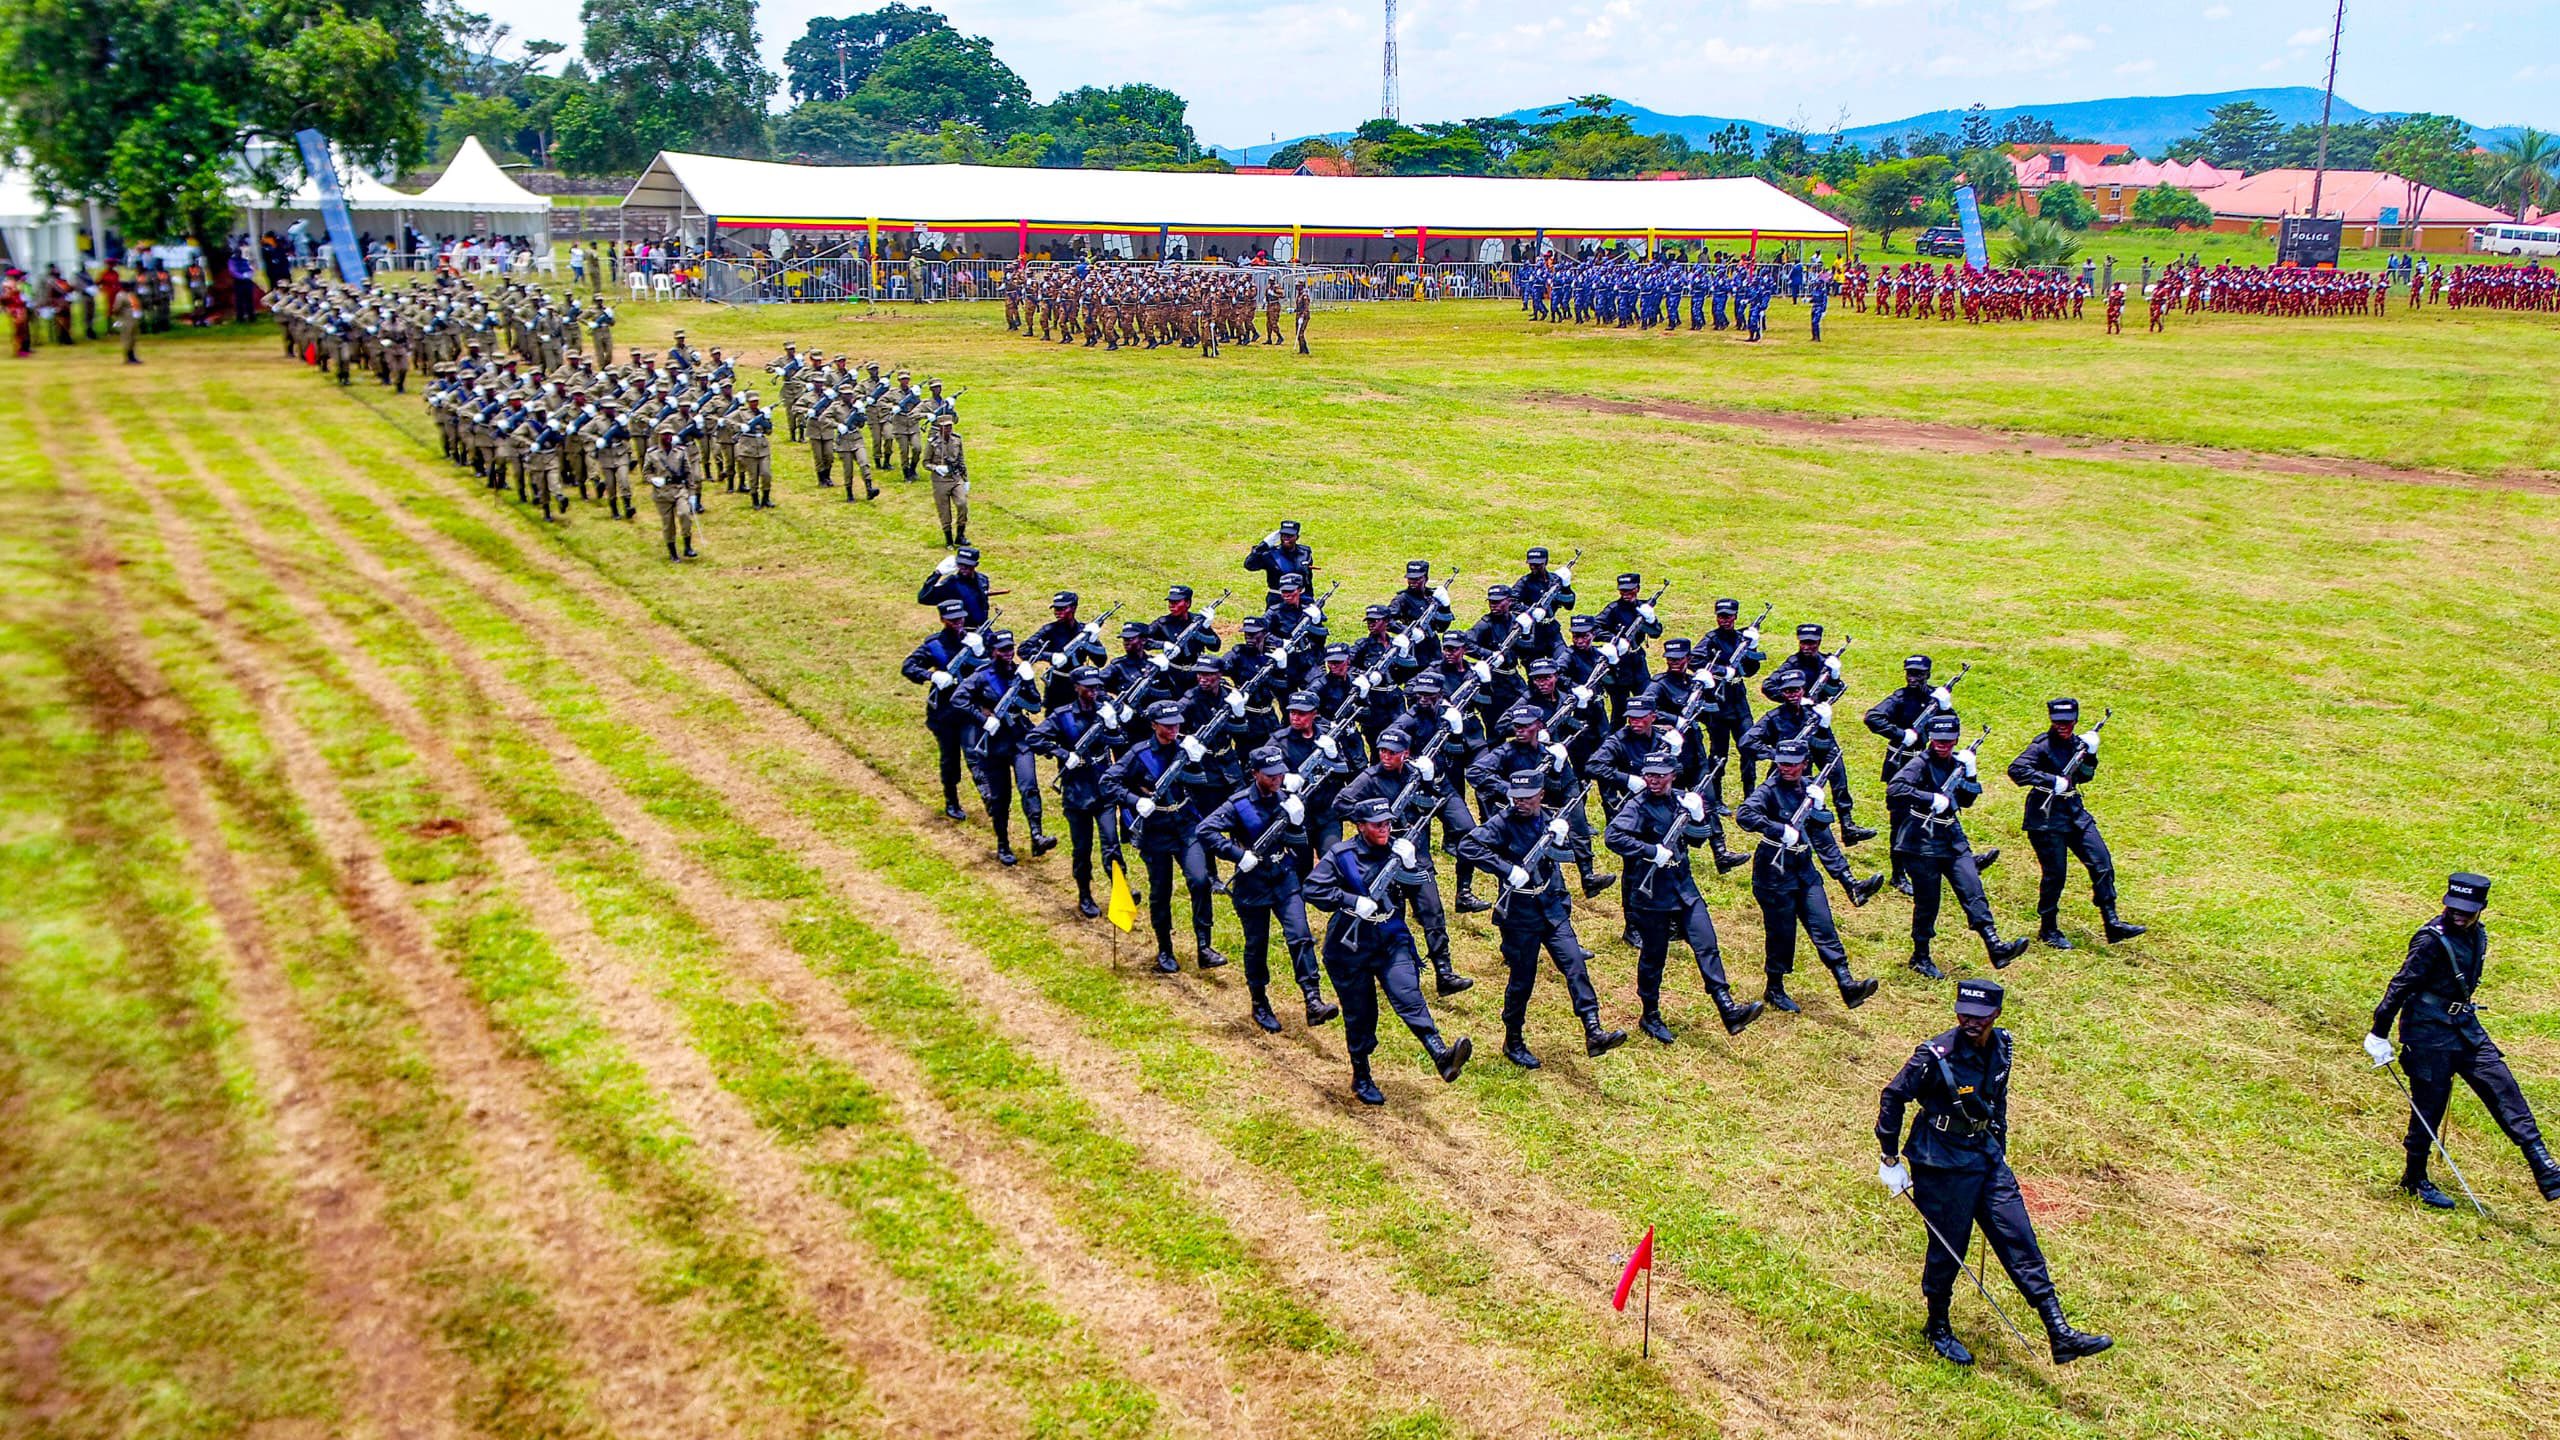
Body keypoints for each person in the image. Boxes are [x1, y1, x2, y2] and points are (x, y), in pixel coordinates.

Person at [1877, 979, 2115, 1367]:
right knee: (1950, 1249)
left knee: (2019, 1237)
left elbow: (1996, 1098)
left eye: (1980, 1017)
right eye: (1964, 1015)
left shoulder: (2003, 1046)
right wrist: (1890, 1158)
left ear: (1996, 1015)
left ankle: (2059, 1332)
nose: (1971, 1023)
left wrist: (1998, 1144)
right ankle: (1937, 1325)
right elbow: (1893, 1096)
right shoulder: (1936, 1055)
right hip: (1940, 1162)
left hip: (1984, 1157)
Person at [2366, 873, 2560, 1206]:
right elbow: (2401, 984)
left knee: (2503, 1087)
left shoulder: (2478, 935)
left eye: (2467, 910)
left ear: (2481, 909)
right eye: (2453, 907)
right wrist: (2379, 1032)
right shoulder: (2431, 940)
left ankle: (2544, 1167)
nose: (2459, 914)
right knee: (2429, 1108)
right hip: (2428, 1033)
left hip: (2464, 1027)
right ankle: (2415, 1179)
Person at [1302, 797, 1474, 1105]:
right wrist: (1352, 901)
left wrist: (1412, 864)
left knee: (1409, 994)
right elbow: (1313, 889)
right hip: (1349, 948)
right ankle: (1362, 1075)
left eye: (1387, 823)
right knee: (1361, 1015)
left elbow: (1424, 894)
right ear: (1360, 826)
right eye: (1377, 825)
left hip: (1390, 938)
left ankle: (1440, 1054)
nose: (1385, 829)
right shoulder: (1342, 856)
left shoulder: (1398, 850)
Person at [1454, 771, 1629, 1069]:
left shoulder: (1550, 819)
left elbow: (1575, 854)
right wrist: (1506, 869)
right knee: (1522, 981)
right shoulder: (1503, 822)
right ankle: (1513, 1039)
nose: (1520, 803)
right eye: (1516, 797)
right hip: (1520, 914)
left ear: (1541, 796)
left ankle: (1593, 1029)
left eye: (1527, 798)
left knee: (1575, 964)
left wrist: (1560, 839)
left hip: (1551, 905)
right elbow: (1468, 847)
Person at [1603, 754, 1766, 1041]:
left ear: (1672, 776)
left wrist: (1699, 816)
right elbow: (1613, 836)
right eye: (1649, 774)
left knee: (1706, 944)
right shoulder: (1637, 805)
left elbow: (1697, 840)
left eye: (1659, 775)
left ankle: (1727, 1007)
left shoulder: (1681, 800)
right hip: (1652, 894)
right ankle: (1650, 1015)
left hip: (1684, 887)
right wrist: (1650, 851)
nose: (1653, 780)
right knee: (1654, 957)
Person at [1733, 738, 1884, 1013]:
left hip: (1803, 868)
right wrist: (1778, 829)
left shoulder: (1810, 789)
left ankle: (1846, 983)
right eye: (1782, 764)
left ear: (1804, 764)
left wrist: (1819, 808)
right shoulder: (1770, 790)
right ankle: (1775, 988)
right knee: (1782, 933)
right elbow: (1744, 815)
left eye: (1793, 765)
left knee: (1823, 925)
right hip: (1773, 873)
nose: (1787, 769)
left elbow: (1822, 835)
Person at [1194, 748, 1341, 1032]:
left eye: (1280, 774)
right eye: (1270, 775)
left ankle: (1313, 999)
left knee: (1301, 936)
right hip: (1252, 885)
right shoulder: (1238, 805)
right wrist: (1237, 854)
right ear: (1255, 774)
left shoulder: (1288, 800)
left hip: (1283, 878)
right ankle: (1259, 1001)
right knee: (1256, 945)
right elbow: (1205, 830)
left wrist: (1298, 824)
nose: (1277, 780)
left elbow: (1299, 844)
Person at [1886, 715, 2031, 979]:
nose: (1943, 745)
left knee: (1972, 887)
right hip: (1921, 842)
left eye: (1948, 740)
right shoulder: (1920, 763)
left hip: (1951, 838)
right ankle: (1921, 955)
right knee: (1928, 902)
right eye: (1938, 740)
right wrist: (1929, 798)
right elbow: (1896, 788)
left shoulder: (1957, 764)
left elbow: (1966, 800)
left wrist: (1971, 773)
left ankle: (1994, 944)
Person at [2005, 699, 2143, 948]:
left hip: (2074, 812)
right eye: (2058, 722)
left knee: (2102, 863)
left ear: (2075, 721)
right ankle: (2048, 928)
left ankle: (2111, 922)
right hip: (2045, 819)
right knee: (2055, 875)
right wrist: (2050, 781)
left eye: (2068, 722)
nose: (2063, 727)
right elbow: (2016, 769)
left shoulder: (2078, 744)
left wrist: (2091, 755)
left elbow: (2084, 776)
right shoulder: (2041, 746)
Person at [1104, 701, 1228, 974]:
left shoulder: (1187, 747)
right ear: (1153, 725)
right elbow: (1109, 781)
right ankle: (1164, 948)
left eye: (1177, 724)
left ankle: (1204, 945)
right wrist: (1134, 800)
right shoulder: (1139, 754)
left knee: (1199, 880)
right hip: (1155, 829)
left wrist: (1197, 760)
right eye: (1168, 725)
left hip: (1185, 824)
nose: (1174, 729)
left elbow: (1202, 781)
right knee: (1161, 891)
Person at [1029, 667, 1125, 919]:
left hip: (1102, 787)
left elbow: (1120, 741)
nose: (1093, 690)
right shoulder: (1063, 716)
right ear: (1076, 688)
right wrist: (1062, 754)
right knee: (1082, 849)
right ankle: (1084, 894)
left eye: (1096, 686)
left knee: (1112, 845)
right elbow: (1035, 738)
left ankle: (1120, 891)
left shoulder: (1105, 710)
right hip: (1077, 791)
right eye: (1088, 686)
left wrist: (1113, 725)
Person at [954, 632, 1055, 866]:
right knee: (1000, 798)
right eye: (1002, 649)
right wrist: (982, 718)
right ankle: (1003, 844)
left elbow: (1035, 704)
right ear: (992, 651)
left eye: (1010, 648)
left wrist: (1028, 681)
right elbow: (959, 700)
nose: (1008, 653)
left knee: (1029, 785)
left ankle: (1037, 834)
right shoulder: (981, 677)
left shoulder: (1019, 673)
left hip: (1019, 739)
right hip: (994, 744)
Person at [901, 600, 981, 820]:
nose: (958, 623)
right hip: (945, 711)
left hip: (970, 709)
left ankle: (990, 798)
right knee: (950, 758)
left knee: (976, 754)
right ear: (943, 620)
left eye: (961, 619)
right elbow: (909, 666)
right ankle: (951, 800)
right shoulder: (935, 645)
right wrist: (932, 675)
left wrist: (981, 651)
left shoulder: (974, 640)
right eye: (953, 620)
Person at [643, 427, 696, 561]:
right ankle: (672, 552)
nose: (668, 437)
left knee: (684, 514)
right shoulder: (652, 454)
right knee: (668, 524)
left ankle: (687, 546)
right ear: (659, 436)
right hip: (662, 492)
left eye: (670, 435)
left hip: (679, 489)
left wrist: (692, 492)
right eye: (664, 435)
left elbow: (688, 472)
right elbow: (646, 473)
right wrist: (653, 479)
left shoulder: (680, 452)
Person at [917, 546, 993, 624]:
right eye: (960, 564)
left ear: (976, 564)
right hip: (961, 629)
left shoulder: (983, 580)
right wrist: (937, 574)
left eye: (967, 565)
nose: (963, 568)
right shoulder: (951, 583)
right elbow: (923, 598)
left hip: (983, 626)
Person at [926, 412, 969, 545]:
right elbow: (925, 462)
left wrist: (966, 479)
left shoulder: (956, 439)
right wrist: (936, 468)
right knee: (944, 511)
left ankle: (960, 535)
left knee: (962, 504)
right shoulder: (933, 443)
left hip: (955, 478)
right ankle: (948, 539)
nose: (949, 429)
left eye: (950, 426)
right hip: (940, 481)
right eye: (946, 427)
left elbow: (961, 460)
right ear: (940, 428)